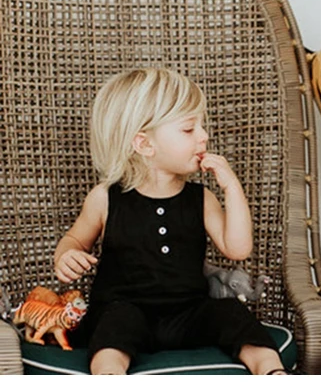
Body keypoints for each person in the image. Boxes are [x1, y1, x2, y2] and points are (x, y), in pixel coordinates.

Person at [54, 68, 290, 375]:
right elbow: (74, 240)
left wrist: (232, 187)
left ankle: (271, 370)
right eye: (189, 129)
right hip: (125, 310)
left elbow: (238, 249)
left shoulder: (202, 199)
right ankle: (109, 373)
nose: (204, 136)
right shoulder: (105, 198)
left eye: (201, 126)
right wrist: (66, 255)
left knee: (231, 313)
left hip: (188, 314)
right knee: (114, 325)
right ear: (144, 144)